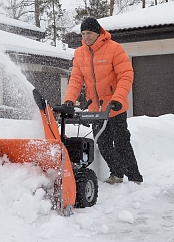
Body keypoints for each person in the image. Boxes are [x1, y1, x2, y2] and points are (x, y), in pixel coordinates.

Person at [64, 17, 143, 185]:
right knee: (103, 143)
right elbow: (76, 80)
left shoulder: (114, 49)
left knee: (122, 142)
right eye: (83, 34)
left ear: (98, 32)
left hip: (115, 106)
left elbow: (126, 75)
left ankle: (135, 177)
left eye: (89, 33)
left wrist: (118, 98)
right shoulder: (79, 54)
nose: (86, 37)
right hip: (96, 108)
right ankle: (117, 174)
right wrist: (69, 100)